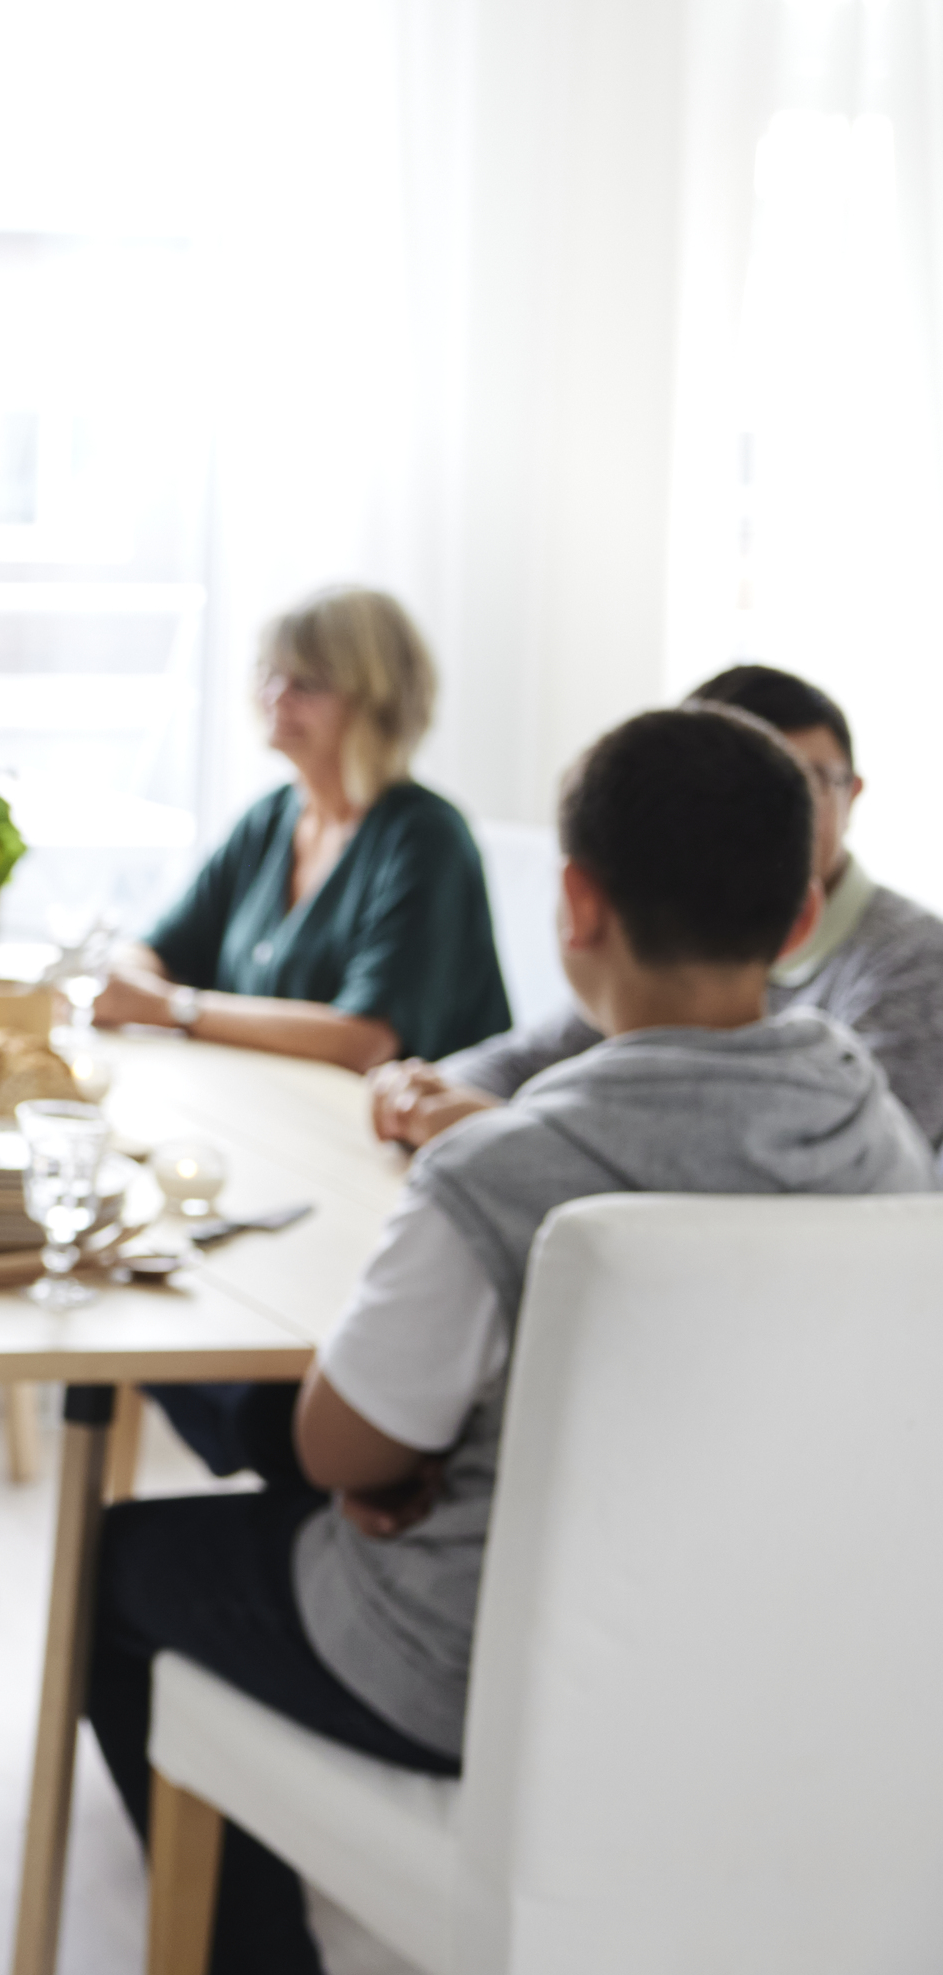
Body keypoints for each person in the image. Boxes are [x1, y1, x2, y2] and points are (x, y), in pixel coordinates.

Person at [83, 704, 929, 1973]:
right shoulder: (886, 1149)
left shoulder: (510, 1165)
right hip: (780, 1672)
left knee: (125, 1563)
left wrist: (406, 1459)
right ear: (803, 917)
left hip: (477, 1679)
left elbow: (336, 1447)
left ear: (575, 904)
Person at [372, 663, 943, 1150]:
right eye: (740, 793)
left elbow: (835, 1163)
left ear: (854, 793)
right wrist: (431, 1093)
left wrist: (511, 1137)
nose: (777, 814)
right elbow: (535, 1054)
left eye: (812, 781)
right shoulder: (668, 933)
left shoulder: (914, 960)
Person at [92, 586, 511, 1073]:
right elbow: (156, 952)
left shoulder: (427, 840)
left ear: (376, 702)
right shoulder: (268, 820)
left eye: (307, 683)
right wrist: (131, 984)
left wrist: (175, 1009)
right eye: (269, 674)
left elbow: (364, 1040)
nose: (276, 697)